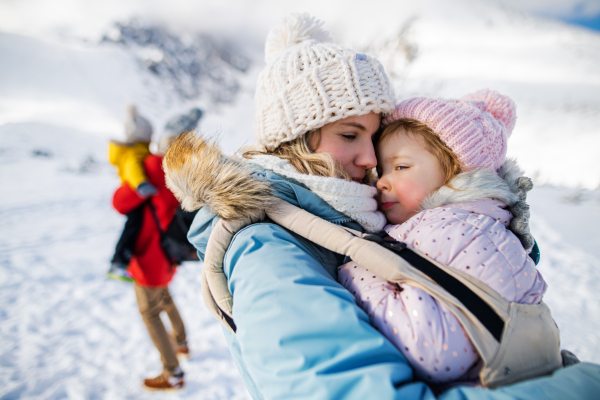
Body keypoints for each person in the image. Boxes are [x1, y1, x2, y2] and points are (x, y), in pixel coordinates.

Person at [163, 13, 600, 400]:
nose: (371, 161)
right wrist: (576, 387)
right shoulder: (265, 248)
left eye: (375, 139)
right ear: (293, 139)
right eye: (350, 136)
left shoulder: (339, 220)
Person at [338, 90, 547, 388]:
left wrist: (356, 265)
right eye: (381, 170)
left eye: (401, 167)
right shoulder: (476, 221)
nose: (381, 181)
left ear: (455, 172)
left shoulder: (453, 229)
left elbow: (431, 351)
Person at [111, 129, 189, 390]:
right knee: (165, 298)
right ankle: (181, 342)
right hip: (170, 256)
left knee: (150, 313)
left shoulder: (154, 167)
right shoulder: (185, 171)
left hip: (149, 258)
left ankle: (173, 373)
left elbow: (120, 202)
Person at [108, 104, 158, 281]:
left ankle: (125, 262)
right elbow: (132, 169)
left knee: (137, 228)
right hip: (136, 195)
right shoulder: (134, 151)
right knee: (133, 228)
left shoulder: (138, 149)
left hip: (137, 197)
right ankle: (118, 263)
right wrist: (141, 184)